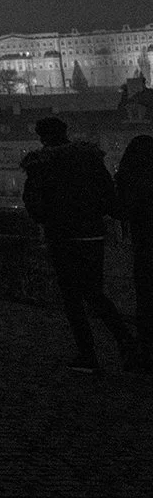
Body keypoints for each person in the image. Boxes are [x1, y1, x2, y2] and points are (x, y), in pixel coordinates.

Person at [21, 116, 141, 371]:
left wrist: (51, 217)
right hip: (92, 234)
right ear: (66, 133)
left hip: (62, 236)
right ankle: (126, 342)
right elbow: (110, 197)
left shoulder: (41, 163)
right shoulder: (90, 158)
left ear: (42, 137)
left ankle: (88, 356)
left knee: (72, 298)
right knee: (95, 293)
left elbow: (35, 205)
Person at [114, 134, 153, 352]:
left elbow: (121, 211)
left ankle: (146, 343)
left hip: (144, 244)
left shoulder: (131, 179)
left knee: (146, 295)